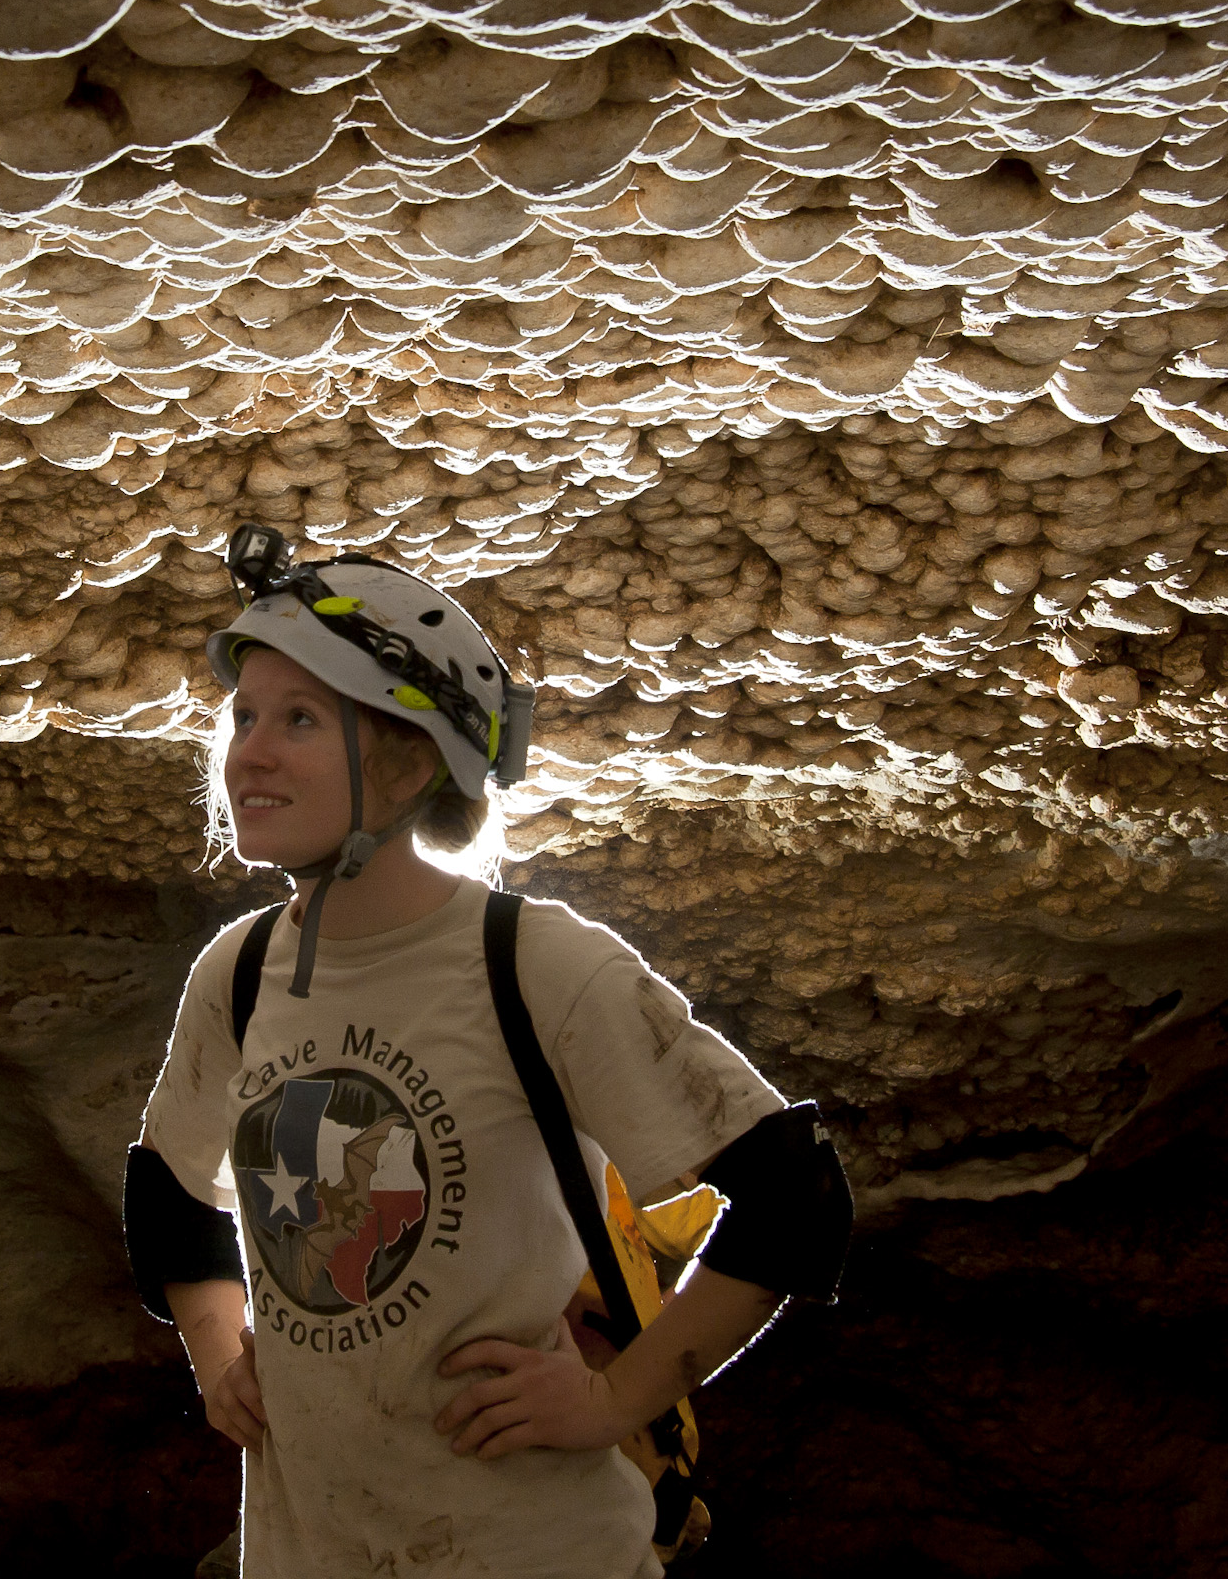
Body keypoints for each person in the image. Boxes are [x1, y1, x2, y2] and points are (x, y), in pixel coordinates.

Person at [122, 525, 852, 1579]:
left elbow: (796, 1203)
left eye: (299, 718)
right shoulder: (237, 972)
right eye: (243, 716)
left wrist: (612, 1397)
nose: (250, 751)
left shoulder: (538, 963)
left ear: (413, 757)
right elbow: (168, 1189)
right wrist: (216, 1347)